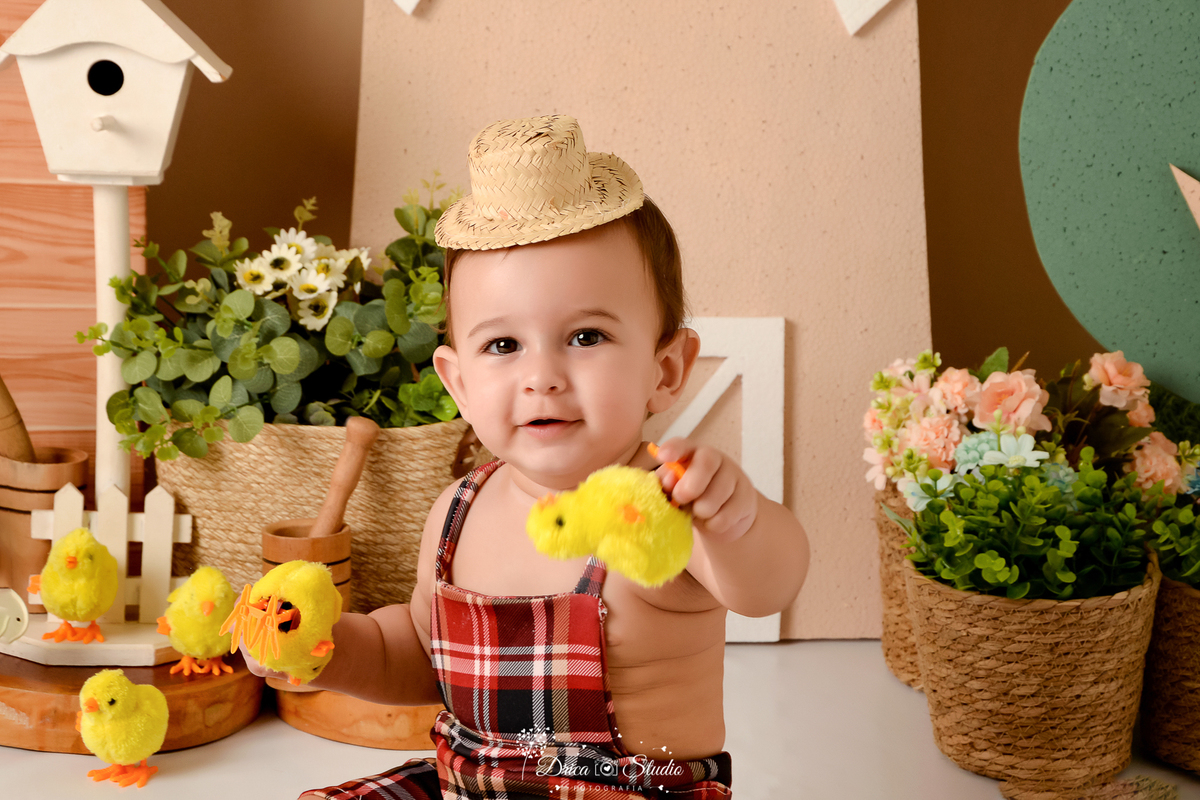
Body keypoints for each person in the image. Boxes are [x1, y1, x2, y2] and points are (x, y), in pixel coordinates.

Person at [248, 114, 809, 799]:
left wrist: (738, 520)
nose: (541, 375)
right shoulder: (458, 510)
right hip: (470, 788)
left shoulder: (660, 505)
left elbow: (767, 586)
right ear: (458, 383)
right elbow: (416, 653)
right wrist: (324, 649)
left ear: (665, 369)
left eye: (586, 336)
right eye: (503, 346)